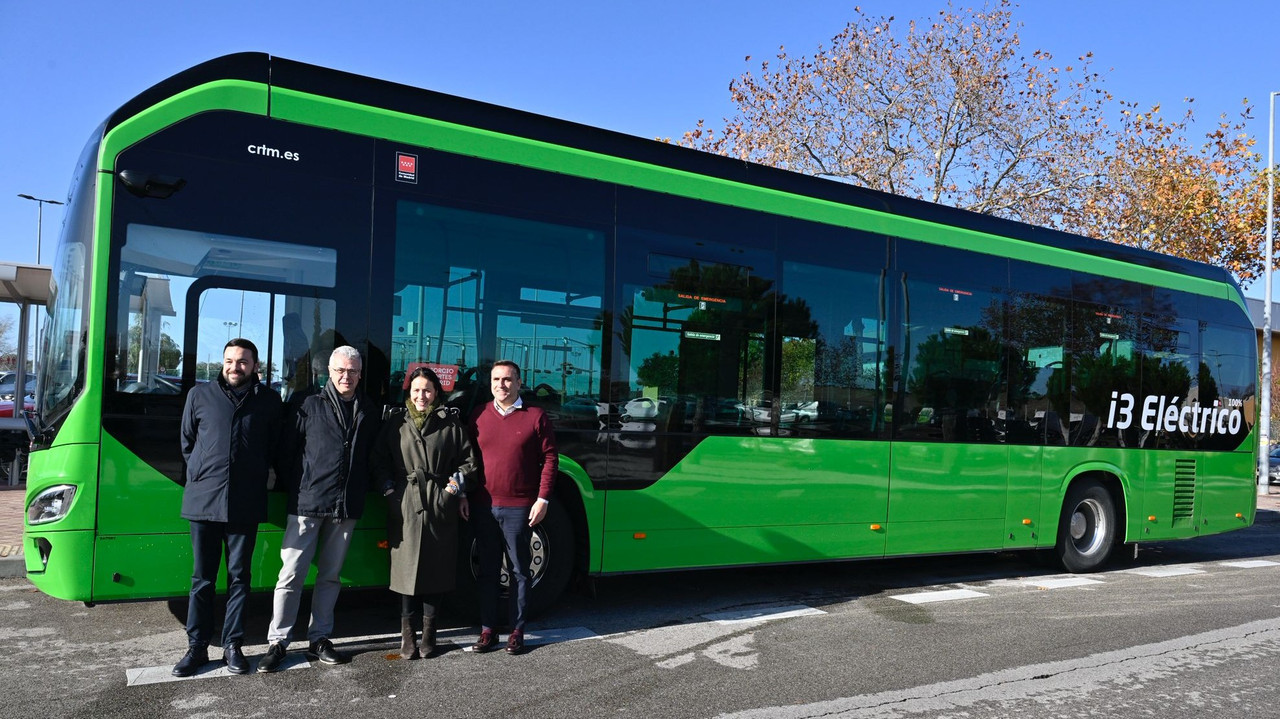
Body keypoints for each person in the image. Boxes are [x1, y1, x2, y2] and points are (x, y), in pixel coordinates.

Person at [257, 346, 380, 673]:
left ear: (360, 374)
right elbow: (286, 452)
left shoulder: (368, 409)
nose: (346, 376)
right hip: (307, 504)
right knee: (291, 575)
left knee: (330, 577)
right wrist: (302, 486)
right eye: (340, 370)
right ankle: (278, 641)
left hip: (345, 506)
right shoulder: (309, 404)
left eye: (352, 371)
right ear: (329, 371)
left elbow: (370, 455)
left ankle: (320, 638)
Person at [173, 338, 282, 677]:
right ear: (222, 363)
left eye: (243, 361)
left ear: (255, 366)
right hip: (204, 500)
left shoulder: (269, 400)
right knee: (202, 579)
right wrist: (203, 472)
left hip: (245, 502)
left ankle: (232, 645)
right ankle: (197, 647)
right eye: (230, 361)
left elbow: (274, 446)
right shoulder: (199, 395)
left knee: (239, 578)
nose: (236, 367)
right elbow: (187, 443)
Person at [373, 366, 479, 659]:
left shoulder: (450, 423)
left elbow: (468, 462)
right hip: (405, 501)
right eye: (417, 390)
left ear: (436, 393)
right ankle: (407, 636)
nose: (422, 396)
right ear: (409, 392)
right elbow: (378, 460)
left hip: (439, 501)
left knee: (437, 570)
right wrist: (389, 491)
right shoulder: (396, 421)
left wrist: (452, 491)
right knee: (406, 572)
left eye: (428, 390)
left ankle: (430, 634)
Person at [469, 360, 557, 655]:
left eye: (507, 379)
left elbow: (550, 458)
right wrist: (462, 495)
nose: (501, 385)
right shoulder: (479, 414)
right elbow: (467, 459)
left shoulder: (535, 416)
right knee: (487, 572)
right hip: (483, 506)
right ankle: (487, 630)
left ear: (519, 383)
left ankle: (517, 631)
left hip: (519, 507)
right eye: (496, 379)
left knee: (519, 571)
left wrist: (543, 499)